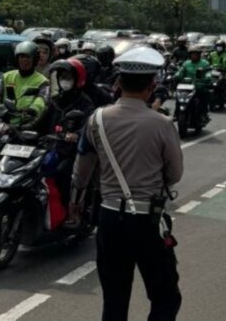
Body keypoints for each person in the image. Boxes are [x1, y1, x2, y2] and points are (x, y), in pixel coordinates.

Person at [70, 45, 183, 321]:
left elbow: (81, 171)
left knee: (114, 302)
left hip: (109, 219)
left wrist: (75, 202)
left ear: (118, 84)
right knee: (166, 298)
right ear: (151, 86)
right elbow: (175, 174)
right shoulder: (162, 124)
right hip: (147, 221)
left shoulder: (96, 120)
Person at [41, 58, 95, 206]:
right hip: (50, 147)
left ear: (78, 80)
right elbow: (41, 121)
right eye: (62, 77)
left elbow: (87, 127)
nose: (65, 81)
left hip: (71, 151)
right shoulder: (55, 100)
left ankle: (66, 208)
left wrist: (75, 135)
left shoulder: (85, 103)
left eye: (69, 77)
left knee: (61, 173)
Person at [0, 41, 50, 127]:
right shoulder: (7, 76)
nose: (24, 60)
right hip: (4, 120)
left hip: (28, 123)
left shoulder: (43, 81)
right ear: (17, 59)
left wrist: (32, 110)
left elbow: (42, 100)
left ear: (34, 60)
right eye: (21, 57)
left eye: (27, 57)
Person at [174, 45, 212, 122]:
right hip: (186, 87)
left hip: (199, 86)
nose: (194, 55)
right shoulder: (186, 63)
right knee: (179, 98)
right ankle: (176, 114)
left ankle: (204, 114)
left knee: (204, 95)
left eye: (195, 54)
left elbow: (208, 72)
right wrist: (176, 76)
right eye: (192, 54)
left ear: (199, 54)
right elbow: (180, 72)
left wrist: (207, 77)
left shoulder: (204, 63)